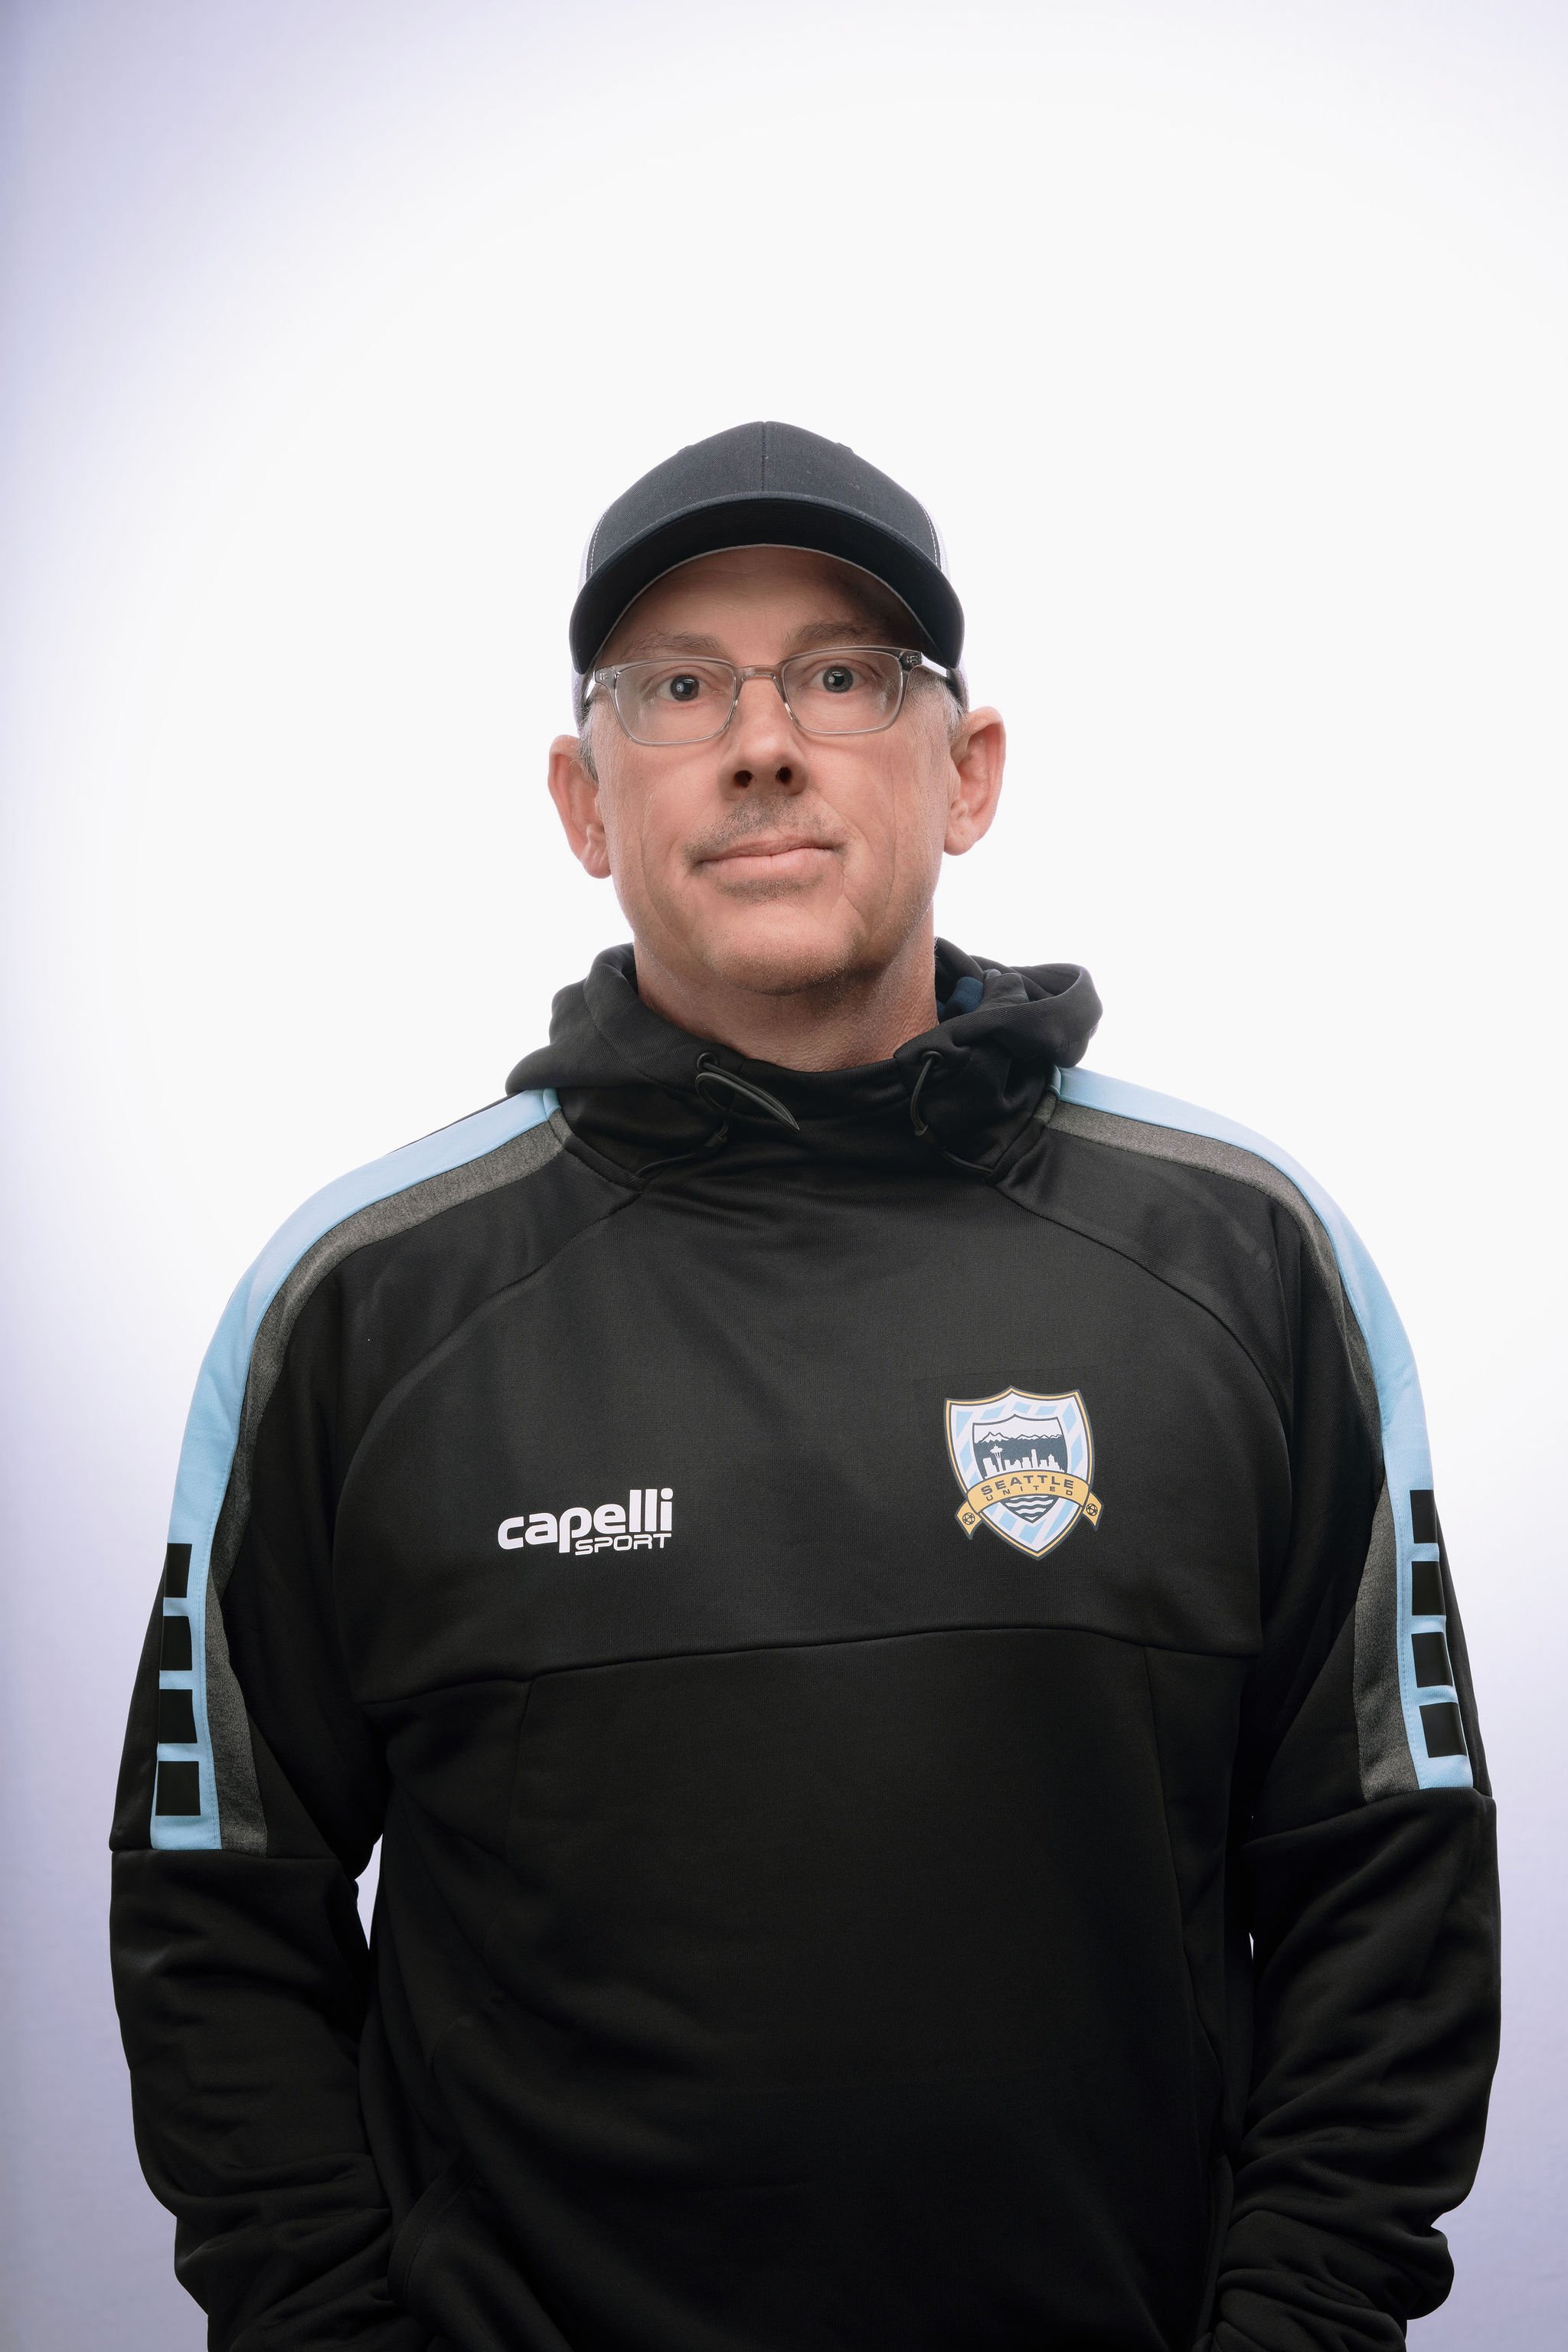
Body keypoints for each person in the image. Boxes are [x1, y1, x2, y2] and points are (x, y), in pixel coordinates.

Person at [111, 420, 1499, 2352]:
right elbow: (215, 1912)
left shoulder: (1245, 1265)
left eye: (841, 674)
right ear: (583, 800)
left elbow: (1387, 1894)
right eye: (676, 687)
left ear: (969, 769)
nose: (761, 740)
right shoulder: (361, 1308)